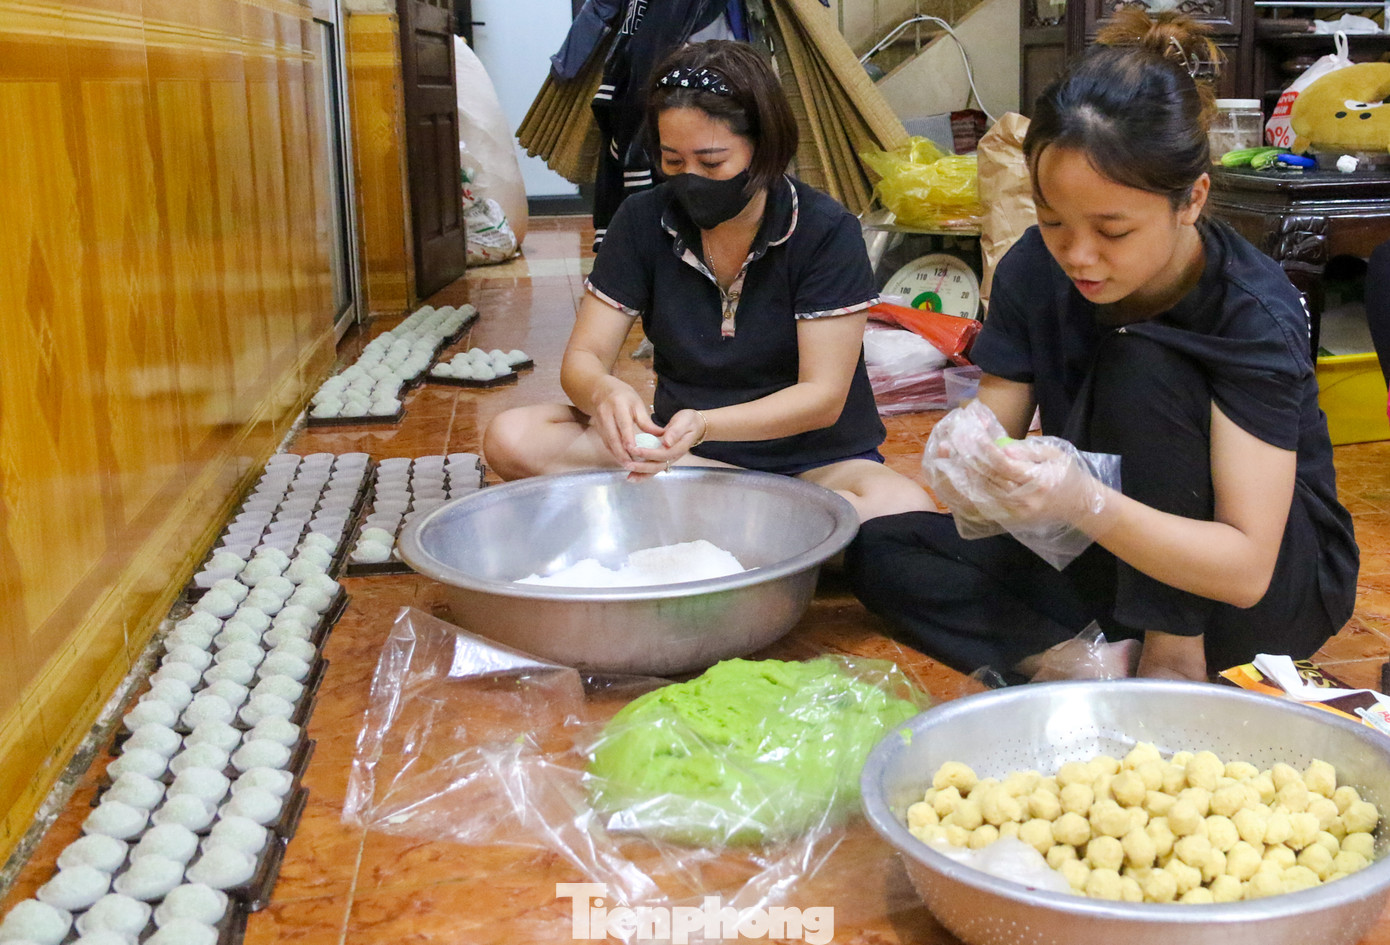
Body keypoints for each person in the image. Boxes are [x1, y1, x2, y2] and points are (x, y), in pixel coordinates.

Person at [845, 10, 1358, 682]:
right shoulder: (1038, 266)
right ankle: (1081, 658)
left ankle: (1170, 659)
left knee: (1144, 358)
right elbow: (996, 421)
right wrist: (971, 460)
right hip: (1118, 551)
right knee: (884, 545)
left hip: (1253, 590)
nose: (1078, 255)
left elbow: (1245, 565)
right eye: (1055, 221)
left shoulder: (1248, 309)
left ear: (1192, 199)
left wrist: (1085, 500)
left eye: (1112, 231)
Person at [484, 40, 931, 522]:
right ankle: (763, 523)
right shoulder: (642, 221)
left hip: (814, 465)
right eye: (673, 162)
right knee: (513, 437)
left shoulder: (824, 231)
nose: (690, 178)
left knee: (902, 508)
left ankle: (699, 512)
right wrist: (605, 393)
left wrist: (704, 425)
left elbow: (821, 398)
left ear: (764, 148)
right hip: (684, 455)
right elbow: (585, 357)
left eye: (712, 162)